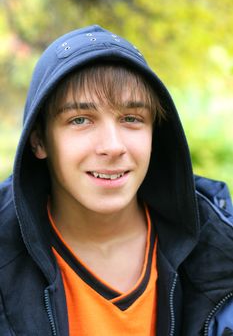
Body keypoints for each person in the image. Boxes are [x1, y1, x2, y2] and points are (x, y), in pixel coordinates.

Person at [0, 25, 232, 336]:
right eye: (80, 120)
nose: (112, 146)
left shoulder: (220, 244)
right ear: (39, 140)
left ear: (155, 136)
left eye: (131, 119)